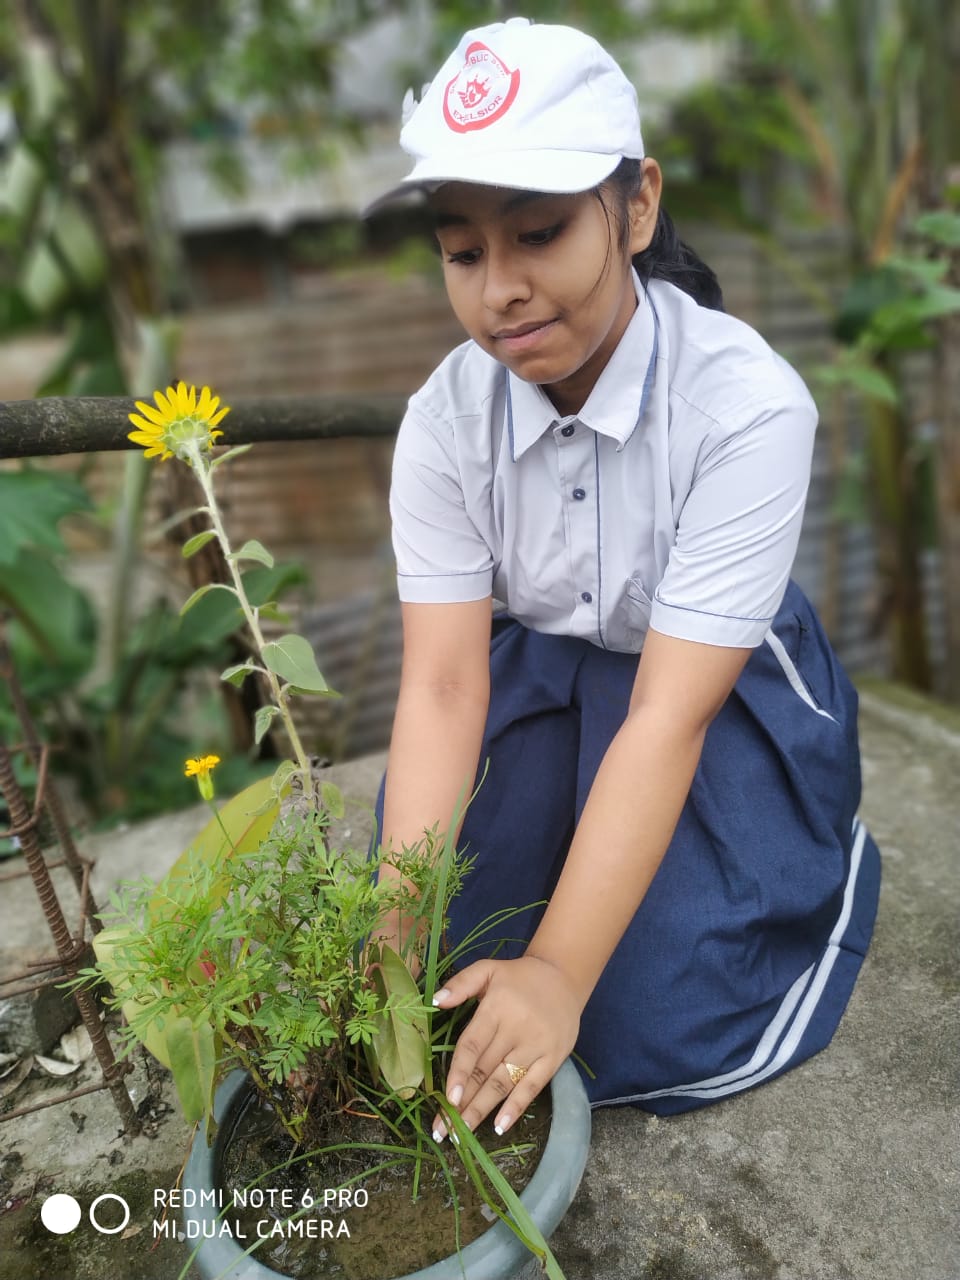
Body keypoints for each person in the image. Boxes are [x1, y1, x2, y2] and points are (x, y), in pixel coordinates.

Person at [365, 17, 880, 1142]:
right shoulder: (443, 423)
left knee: (634, 1016)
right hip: (537, 668)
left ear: (637, 205)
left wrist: (558, 970)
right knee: (440, 961)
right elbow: (445, 685)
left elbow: (665, 715)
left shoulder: (745, 408)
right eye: (462, 252)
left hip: (702, 685)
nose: (500, 290)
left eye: (539, 233)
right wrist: (394, 924)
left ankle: (816, 847)